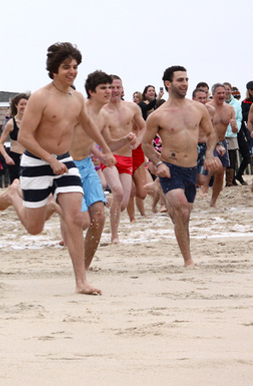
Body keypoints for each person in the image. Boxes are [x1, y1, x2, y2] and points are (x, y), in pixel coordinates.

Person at [0, 42, 116, 295]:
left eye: (74, 67)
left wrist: (105, 149)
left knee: (74, 218)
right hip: (37, 162)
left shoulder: (77, 98)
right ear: (53, 70)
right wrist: (50, 160)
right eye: (66, 67)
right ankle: (13, 196)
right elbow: (25, 137)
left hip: (66, 161)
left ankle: (81, 281)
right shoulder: (40, 97)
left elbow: (89, 124)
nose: (72, 72)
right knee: (34, 228)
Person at [142, 66, 221, 268]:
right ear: (168, 84)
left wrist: (210, 154)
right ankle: (188, 260)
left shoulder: (198, 108)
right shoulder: (158, 115)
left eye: (186, 79)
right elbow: (146, 144)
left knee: (183, 215)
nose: (184, 83)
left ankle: (166, 200)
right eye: (179, 80)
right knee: (183, 212)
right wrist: (158, 163)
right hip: (171, 167)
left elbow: (211, 134)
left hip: (191, 168)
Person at [64, 70, 133, 269]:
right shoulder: (79, 111)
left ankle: (84, 266)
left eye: (110, 87)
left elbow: (108, 144)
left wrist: (124, 140)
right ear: (91, 92)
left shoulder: (103, 116)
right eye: (104, 88)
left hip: (86, 166)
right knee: (83, 221)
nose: (109, 91)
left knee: (99, 217)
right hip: (68, 166)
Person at [101, 75, 146, 243]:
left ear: (122, 89)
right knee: (118, 191)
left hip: (127, 158)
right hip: (109, 157)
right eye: (110, 87)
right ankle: (114, 236)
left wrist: (137, 141)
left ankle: (101, 200)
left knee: (122, 203)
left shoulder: (132, 108)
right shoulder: (101, 110)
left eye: (117, 87)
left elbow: (144, 126)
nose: (114, 91)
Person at [205, 83, 237, 207]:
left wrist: (234, 125)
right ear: (213, 95)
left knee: (221, 173)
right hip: (210, 142)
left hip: (223, 141)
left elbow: (235, 130)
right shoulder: (208, 107)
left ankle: (213, 201)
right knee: (213, 167)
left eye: (223, 93)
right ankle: (203, 184)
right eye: (219, 93)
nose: (222, 95)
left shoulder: (229, 109)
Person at [0, 93, 30, 182]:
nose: (24, 107)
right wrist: (6, 156)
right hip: (15, 156)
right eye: (22, 104)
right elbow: (0, 143)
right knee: (16, 184)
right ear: (16, 105)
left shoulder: (32, 121)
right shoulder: (11, 123)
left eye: (26, 104)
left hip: (30, 156)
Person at [236, 81, 253, 185]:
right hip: (252, 129)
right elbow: (244, 117)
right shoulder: (245, 102)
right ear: (248, 90)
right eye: (252, 89)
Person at [222, 82, 242, 187]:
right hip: (221, 134)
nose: (226, 91)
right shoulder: (217, 103)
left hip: (233, 133)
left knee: (232, 157)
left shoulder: (236, 104)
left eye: (228, 89)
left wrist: (236, 127)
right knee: (222, 157)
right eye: (224, 89)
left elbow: (239, 118)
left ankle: (230, 181)